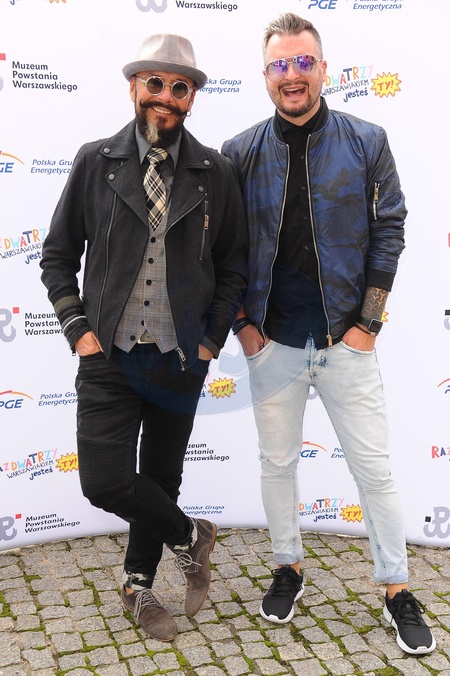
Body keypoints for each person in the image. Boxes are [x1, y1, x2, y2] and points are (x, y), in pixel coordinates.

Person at [222, 12, 435, 655]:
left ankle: (396, 588)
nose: (292, 75)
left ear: (323, 69)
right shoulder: (239, 152)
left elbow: (390, 227)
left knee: (374, 469)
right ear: (265, 75)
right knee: (277, 465)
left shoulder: (367, 141)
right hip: (273, 345)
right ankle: (288, 566)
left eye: (303, 62)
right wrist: (245, 327)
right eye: (280, 65)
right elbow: (223, 250)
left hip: (348, 342)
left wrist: (368, 323)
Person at [41, 33, 247, 642]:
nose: (166, 95)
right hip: (108, 354)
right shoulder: (95, 162)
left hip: (179, 359)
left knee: (160, 477)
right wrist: (78, 329)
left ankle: (138, 584)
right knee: (104, 481)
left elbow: (233, 266)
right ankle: (191, 535)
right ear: (134, 87)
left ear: (192, 98)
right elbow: (57, 256)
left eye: (179, 87)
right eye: (154, 82)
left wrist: (208, 343)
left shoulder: (214, 173)